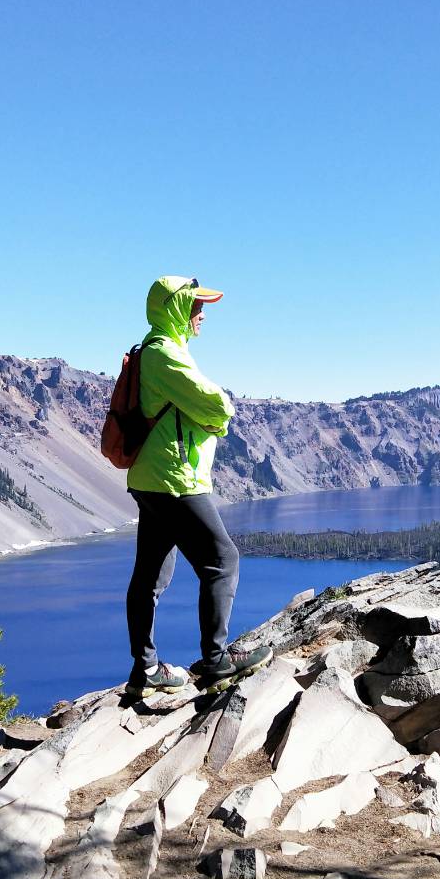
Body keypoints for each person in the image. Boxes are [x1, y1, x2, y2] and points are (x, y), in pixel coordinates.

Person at [123, 275, 272, 699]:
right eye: (195, 306)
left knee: (151, 575)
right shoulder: (166, 355)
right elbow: (217, 404)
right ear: (176, 308)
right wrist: (218, 418)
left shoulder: (159, 350)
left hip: (152, 479)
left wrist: (210, 416)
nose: (202, 314)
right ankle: (214, 660)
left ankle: (145, 670)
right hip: (174, 480)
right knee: (222, 560)